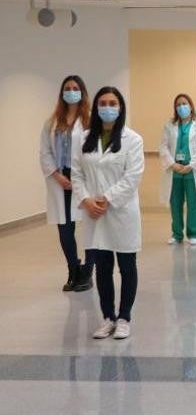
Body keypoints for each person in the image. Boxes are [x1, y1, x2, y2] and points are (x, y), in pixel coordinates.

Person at [71, 87, 144, 340]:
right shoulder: (82, 138)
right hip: (93, 212)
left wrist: (106, 199)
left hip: (121, 210)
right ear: (96, 108)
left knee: (126, 264)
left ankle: (124, 317)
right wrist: (86, 200)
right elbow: (76, 173)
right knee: (102, 266)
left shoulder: (133, 139)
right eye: (102, 103)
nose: (107, 107)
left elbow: (133, 176)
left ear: (120, 107)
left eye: (112, 103)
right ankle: (107, 317)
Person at [38, 75, 93, 292]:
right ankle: (73, 270)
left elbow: (94, 152)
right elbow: (44, 152)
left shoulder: (90, 121)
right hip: (60, 179)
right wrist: (57, 176)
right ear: (62, 93)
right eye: (67, 88)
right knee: (65, 229)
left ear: (82, 92)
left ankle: (88, 272)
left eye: (75, 88)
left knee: (89, 226)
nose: (71, 91)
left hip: (84, 178)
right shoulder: (51, 123)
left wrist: (79, 178)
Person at [159, 94, 196, 246]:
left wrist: (191, 165)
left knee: (194, 203)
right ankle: (177, 233)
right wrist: (173, 164)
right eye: (178, 105)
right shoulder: (169, 125)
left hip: (192, 169)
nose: (182, 107)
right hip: (175, 169)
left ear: (191, 106)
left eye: (184, 103)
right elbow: (163, 146)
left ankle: (194, 233)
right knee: (176, 203)